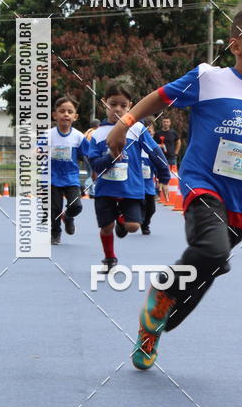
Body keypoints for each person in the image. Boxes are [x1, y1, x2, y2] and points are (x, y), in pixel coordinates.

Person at [106, 7, 242, 370]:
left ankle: (154, 326)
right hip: (203, 184)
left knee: (207, 270)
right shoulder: (208, 78)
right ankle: (161, 290)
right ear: (236, 46)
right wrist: (124, 124)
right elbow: (160, 97)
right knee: (213, 250)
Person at [88, 82, 170, 271]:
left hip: (131, 188)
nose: (118, 109)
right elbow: (95, 165)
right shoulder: (98, 135)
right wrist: (111, 156)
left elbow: (155, 153)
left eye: (123, 105)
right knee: (106, 228)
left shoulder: (138, 130)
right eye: (113, 104)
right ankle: (110, 258)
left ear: (131, 106)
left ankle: (122, 222)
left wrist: (164, 177)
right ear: (104, 104)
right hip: (105, 190)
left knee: (133, 226)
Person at [48, 96, 90, 245]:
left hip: (71, 178)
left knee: (76, 206)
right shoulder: (49, 135)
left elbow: (88, 155)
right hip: (52, 178)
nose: (66, 114)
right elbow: (38, 149)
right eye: (62, 111)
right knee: (54, 209)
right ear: (55, 115)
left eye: (69, 112)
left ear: (75, 116)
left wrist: (95, 169)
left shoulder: (78, 137)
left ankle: (68, 216)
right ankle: (55, 234)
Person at [140, 118, 171, 234]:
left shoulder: (153, 150)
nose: (149, 133)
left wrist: (161, 178)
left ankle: (145, 224)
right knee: (139, 206)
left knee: (151, 209)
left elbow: (158, 165)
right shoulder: (137, 147)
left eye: (150, 131)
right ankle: (130, 221)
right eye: (146, 132)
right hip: (136, 184)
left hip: (148, 184)